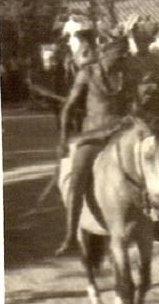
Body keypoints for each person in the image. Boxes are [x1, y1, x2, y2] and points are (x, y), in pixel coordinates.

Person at [55, 29, 138, 254]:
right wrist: (63, 139)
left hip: (120, 133)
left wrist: (133, 115)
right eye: (120, 54)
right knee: (77, 178)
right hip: (92, 136)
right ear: (105, 53)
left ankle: (156, 221)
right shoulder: (87, 74)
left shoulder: (124, 75)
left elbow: (134, 104)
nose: (123, 58)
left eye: (125, 54)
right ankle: (71, 235)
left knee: (150, 161)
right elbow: (68, 108)